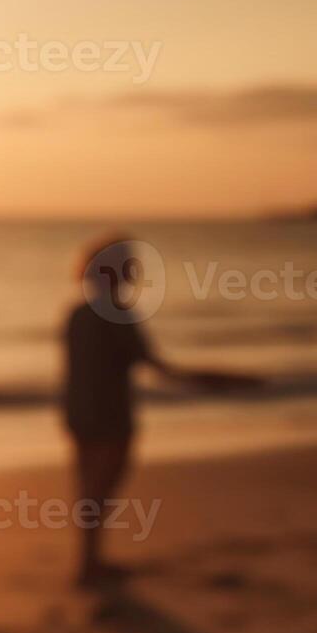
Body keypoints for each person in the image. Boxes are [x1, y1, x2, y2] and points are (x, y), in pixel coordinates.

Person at [63, 235, 257, 588]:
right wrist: (212, 381)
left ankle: (88, 562)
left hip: (78, 414)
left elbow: (73, 372)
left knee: (87, 489)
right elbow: (156, 366)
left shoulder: (77, 314)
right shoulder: (118, 315)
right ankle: (90, 565)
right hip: (111, 416)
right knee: (101, 490)